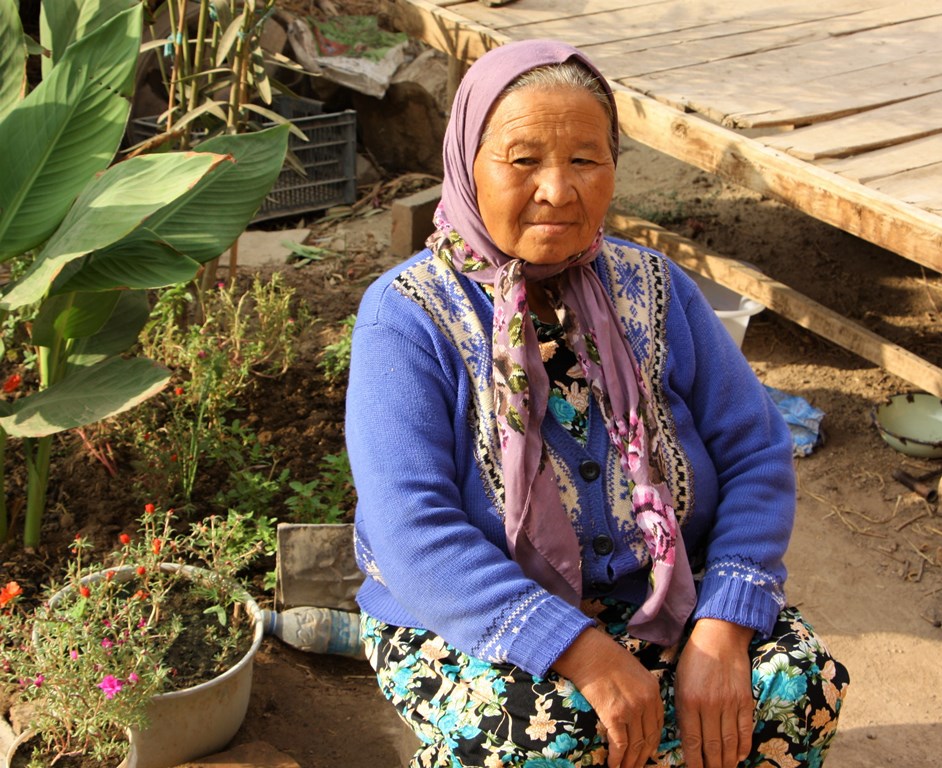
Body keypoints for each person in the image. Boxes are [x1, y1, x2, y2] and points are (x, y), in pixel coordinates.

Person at [345, 39, 849, 768]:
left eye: (586, 159)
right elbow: (410, 529)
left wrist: (723, 623)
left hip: (667, 590)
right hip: (469, 613)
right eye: (523, 161)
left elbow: (755, 450)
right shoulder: (406, 317)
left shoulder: (656, 286)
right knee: (535, 736)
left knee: (794, 686)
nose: (558, 188)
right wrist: (578, 650)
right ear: (466, 164)